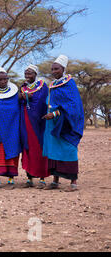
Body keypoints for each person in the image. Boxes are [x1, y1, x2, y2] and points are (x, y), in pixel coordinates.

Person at [42, 55, 84, 192]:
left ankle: (73, 182)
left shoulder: (69, 83)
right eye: (52, 69)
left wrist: (55, 113)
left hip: (66, 123)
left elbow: (73, 105)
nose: (54, 71)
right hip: (52, 123)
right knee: (54, 149)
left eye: (56, 69)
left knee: (69, 149)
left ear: (63, 68)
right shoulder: (53, 84)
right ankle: (55, 181)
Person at [19, 64, 49, 188]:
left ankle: (42, 178)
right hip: (25, 121)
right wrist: (22, 96)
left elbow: (42, 101)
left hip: (39, 122)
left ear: (35, 74)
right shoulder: (23, 87)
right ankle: (29, 178)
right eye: (26, 73)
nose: (27, 76)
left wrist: (28, 97)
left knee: (40, 148)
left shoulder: (42, 86)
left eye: (30, 73)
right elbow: (19, 101)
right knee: (28, 148)